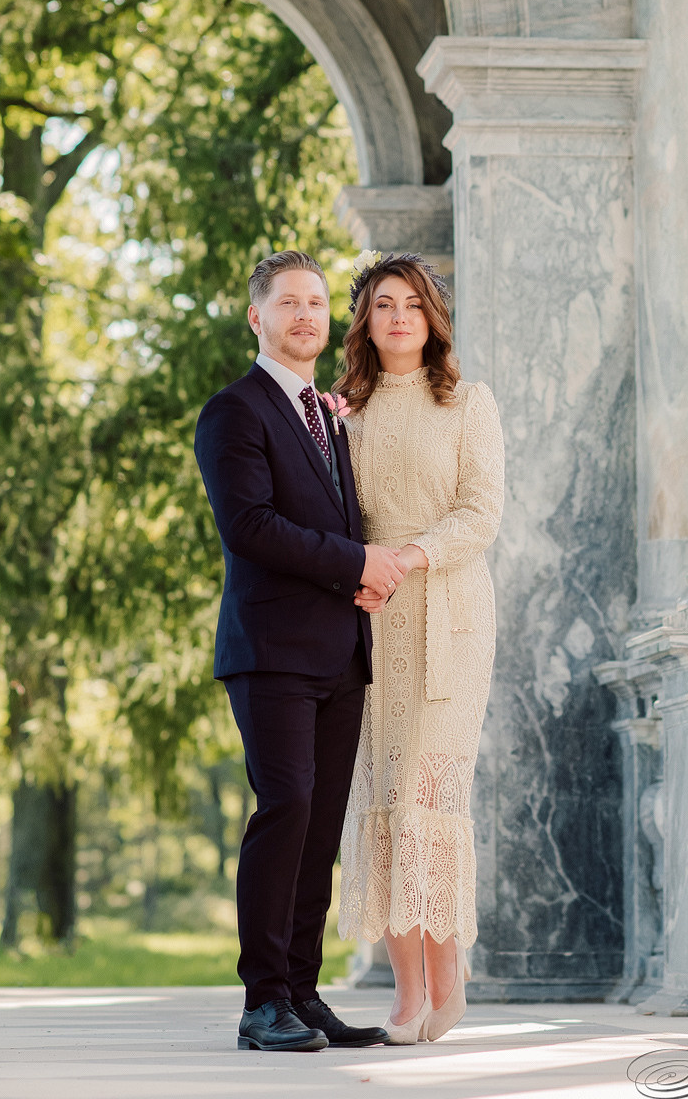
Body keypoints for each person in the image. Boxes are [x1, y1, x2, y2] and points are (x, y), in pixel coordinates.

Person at [193, 249, 409, 1053]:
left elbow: (338, 523)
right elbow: (249, 527)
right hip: (271, 650)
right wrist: (357, 562)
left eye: (317, 303)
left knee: (320, 828)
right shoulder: (234, 411)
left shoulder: (328, 416)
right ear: (258, 317)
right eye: (289, 303)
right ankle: (260, 1004)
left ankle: (303, 996)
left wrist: (371, 578)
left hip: (340, 650)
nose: (307, 316)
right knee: (284, 811)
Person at [334, 251, 504, 1044]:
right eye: (382, 305)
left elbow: (480, 514)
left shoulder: (469, 405)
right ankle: (409, 991)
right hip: (371, 614)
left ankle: (448, 975)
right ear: (365, 322)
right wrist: (361, 575)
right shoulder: (347, 414)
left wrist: (404, 560)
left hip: (449, 610)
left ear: (433, 317)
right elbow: (338, 523)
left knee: (427, 797)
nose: (398, 316)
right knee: (382, 798)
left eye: (413, 303)